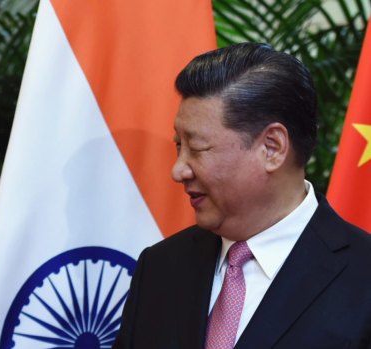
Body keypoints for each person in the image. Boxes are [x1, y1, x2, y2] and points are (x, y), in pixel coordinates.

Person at [113, 43, 371, 349]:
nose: (178, 170)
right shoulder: (160, 267)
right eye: (178, 146)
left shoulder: (362, 276)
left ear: (272, 148)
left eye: (196, 148)